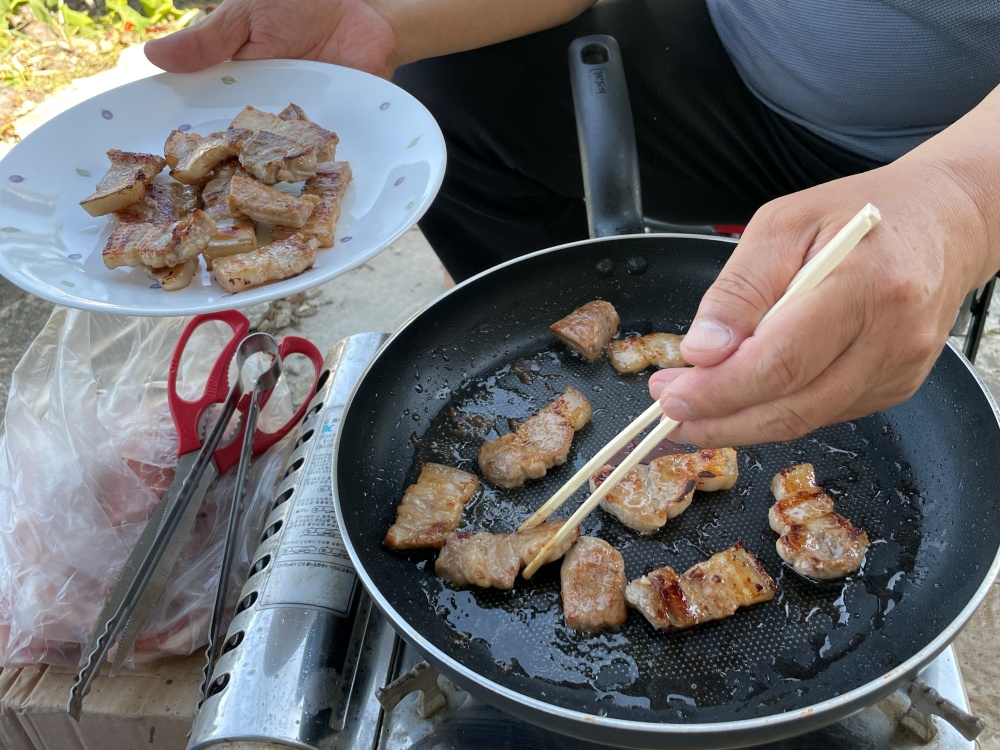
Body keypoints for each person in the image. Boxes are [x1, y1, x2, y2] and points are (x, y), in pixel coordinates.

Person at [144, 0, 1000, 448]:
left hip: (943, 145)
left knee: (841, 370)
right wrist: (388, 14)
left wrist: (960, 205)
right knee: (448, 100)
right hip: (735, 52)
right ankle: (569, 350)